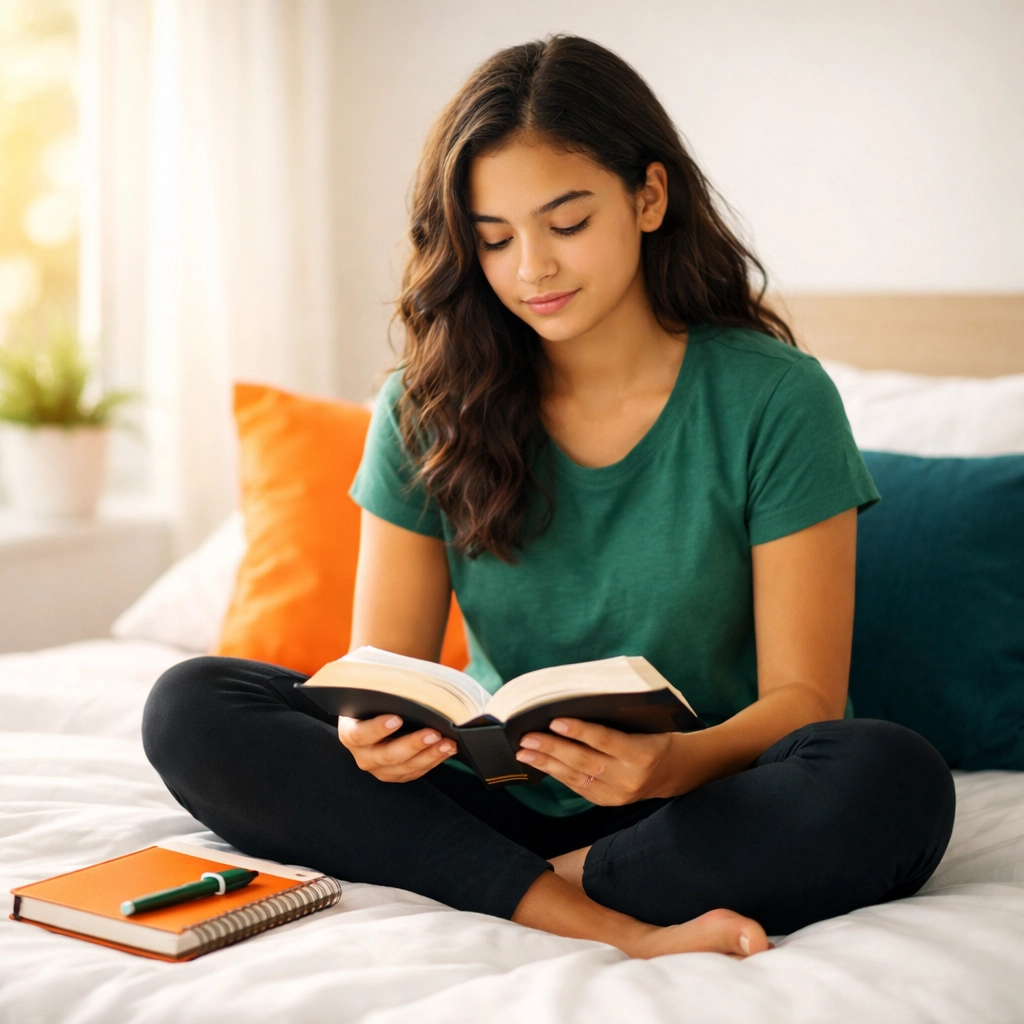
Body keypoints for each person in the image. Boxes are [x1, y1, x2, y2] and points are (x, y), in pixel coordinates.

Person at [143, 34, 955, 960]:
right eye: (494, 239)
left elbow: (806, 699)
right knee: (191, 701)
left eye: (566, 223)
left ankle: (508, 884)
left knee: (894, 778)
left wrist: (671, 762)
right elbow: (385, 674)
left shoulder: (776, 398)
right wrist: (372, 737)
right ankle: (587, 915)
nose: (532, 268)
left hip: (693, 806)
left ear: (648, 197)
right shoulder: (425, 402)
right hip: (487, 796)